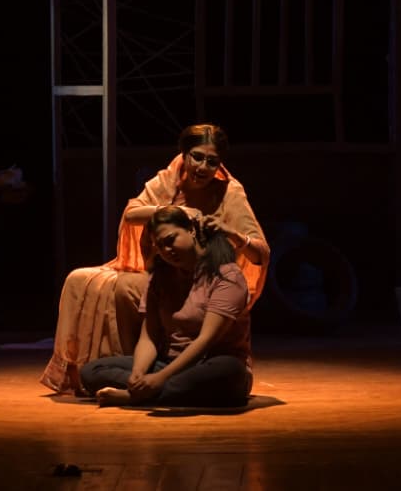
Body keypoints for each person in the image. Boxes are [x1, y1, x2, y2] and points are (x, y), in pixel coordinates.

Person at [40, 123, 268, 394]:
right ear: (184, 154)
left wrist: (233, 234)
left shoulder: (225, 272)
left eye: (212, 161)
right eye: (197, 157)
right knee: (84, 292)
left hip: (209, 347)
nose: (203, 167)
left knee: (224, 373)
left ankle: (143, 392)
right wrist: (139, 374)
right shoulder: (167, 190)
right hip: (170, 328)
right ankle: (148, 385)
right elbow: (131, 213)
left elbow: (206, 340)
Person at [79, 205, 253, 407]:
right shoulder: (161, 277)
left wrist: (160, 379)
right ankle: (154, 392)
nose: (167, 251)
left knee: (228, 372)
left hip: (211, 363)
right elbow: (149, 336)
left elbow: (206, 340)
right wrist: (138, 373)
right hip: (169, 363)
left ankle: (137, 397)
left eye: (170, 240)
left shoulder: (227, 276)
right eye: (160, 246)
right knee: (91, 372)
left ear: (191, 230)